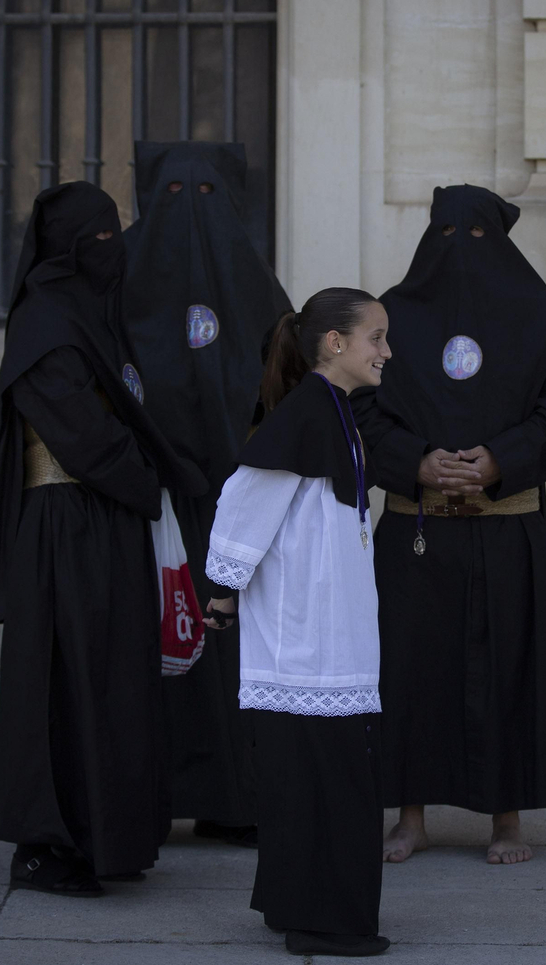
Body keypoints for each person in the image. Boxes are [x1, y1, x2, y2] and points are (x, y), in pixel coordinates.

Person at [352, 184, 546, 866]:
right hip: (417, 528)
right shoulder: (391, 318)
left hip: (506, 528)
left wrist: (498, 460)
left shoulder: (538, 317)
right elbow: (360, 407)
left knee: (507, 670)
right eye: (448, 234)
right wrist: (416, 462)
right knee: (409, 672)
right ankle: (410, 817)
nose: (460, 249)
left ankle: (506, 819)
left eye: (478, 236)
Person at [0, 181, 206, 896]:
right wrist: (152, 481)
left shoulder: (91, 314)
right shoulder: (45, 323)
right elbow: (81, 433)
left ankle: (109, 838)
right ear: (70, 248)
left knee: (114, 681)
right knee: (65, 681)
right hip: (65, 528)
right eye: (102, 237)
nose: (117, 249)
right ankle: (46, 848)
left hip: (108, 521)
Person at [205, 288, 393, 957]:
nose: (387, 352)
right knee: (325, 784)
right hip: (305, 641)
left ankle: (295, 905)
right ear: (335, 343)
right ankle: (323, 922)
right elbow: (243, 500)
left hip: (331, 633)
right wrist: (224, 592)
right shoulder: (308, 412)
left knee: (313, 782)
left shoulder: (333, 409)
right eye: (376, 338)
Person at [123, 141, 292, 845]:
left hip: (235, 506)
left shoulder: (256, 286)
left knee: (232, 653)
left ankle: (235, 798)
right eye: (173, 195)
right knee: (156, 648)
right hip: (148, 503)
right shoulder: (119, 277)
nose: (190, 214)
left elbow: (287, 388)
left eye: (205, 196)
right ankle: (145, 797)